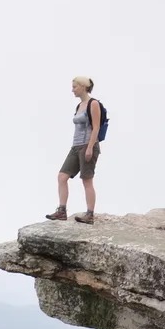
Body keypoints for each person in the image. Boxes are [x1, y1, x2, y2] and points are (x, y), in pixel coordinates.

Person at [46, 76, 102, 224]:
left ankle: (90, 214)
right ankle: (61, 211)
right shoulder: (79, 106)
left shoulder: (93, 103)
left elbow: (96, 127)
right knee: (62, 177)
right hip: (75, 146)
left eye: (75, 87)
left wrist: (90, 147)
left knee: (87, 180)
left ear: (83, 86)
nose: (72, 90)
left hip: (88, 145)